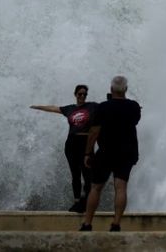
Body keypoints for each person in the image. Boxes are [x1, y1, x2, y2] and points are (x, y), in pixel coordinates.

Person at [79, 75, 141, 232]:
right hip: (126, 152)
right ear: (126, 89)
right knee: (121, 187)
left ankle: (87, 224)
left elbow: (94, 131)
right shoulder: (134, 107)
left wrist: (88, 153)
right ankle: (116, 224)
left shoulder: (102, 107)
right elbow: (134, 120)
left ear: (111, 89)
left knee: (96, 188)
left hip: (106, 152)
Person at [30, 84, 98, 212]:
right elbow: (54, 108)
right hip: (71, 144)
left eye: (84, 94)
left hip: (86, 142)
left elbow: (109, 108)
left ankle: (85, 201)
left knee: (88, 174)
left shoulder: (92, 106)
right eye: (80, 94)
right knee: (75, 174)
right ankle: (77, 202)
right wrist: (38, 107)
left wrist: (127, 108)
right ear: (75, 94)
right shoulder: (69, 109)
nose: (82, 96)